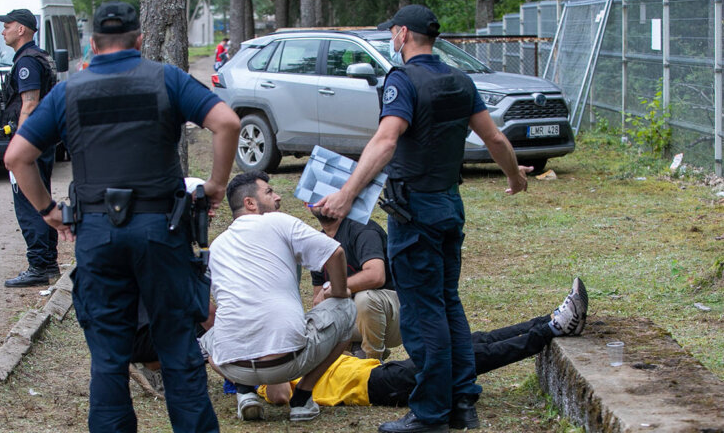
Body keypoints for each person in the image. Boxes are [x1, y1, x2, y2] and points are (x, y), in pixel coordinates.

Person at [3, 1, 239, 432]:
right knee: (179, 353)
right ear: (140, 40)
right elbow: (227, 122)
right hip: (161, 232)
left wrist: (49, 212)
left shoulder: (70, 91)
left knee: (109, 360)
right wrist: (216, 186)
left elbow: (17, 156)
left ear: (93, 43)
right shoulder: (166, 79)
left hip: (97, 234)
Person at [315, 5, 535, 433]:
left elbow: (387, 139)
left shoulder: (403, 80)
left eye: (392, 34)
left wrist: (346, 194)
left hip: (414, 213)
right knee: (447, 302)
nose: (392, 40)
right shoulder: (459, 79)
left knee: (422, 312)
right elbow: (493, 136)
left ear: (402, 35)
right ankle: (462, 400)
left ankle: (431, 413)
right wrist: (513, 176)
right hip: (449, 206)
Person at [260, 278, 588, 407]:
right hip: (378, 387)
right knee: (470, 358)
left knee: (472, 342)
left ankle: (548, 320)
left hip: (378, 371)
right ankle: (552, 330)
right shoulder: (269, 375)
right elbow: (277, 396)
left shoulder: (297, 353)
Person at [198, 171, 356, 423]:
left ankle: (245, 391)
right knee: (347, 309)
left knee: (202, 342)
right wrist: (339, 292)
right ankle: (303, 397)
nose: (278, 196)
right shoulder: (278, 221)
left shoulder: (217, 245)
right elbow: (335, 253)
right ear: (250, 203)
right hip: (287, 362)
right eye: (269, 192)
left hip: (232, 365)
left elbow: (201, 306)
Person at [0, 9, 59, 287]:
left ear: (21, 29)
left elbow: (30, 104)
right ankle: (48, 264)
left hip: (31, 143)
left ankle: (39, 265)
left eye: (7, 26)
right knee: (41, 198)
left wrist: (19, 145)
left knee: (28, 202)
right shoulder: (38, 56)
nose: (3, 31)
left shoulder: (27, 63)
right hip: (42, 140)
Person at [309, 209, 401, 361]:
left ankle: (373, 363)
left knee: (365, 299)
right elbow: (318, 301)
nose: (322, 201)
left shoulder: (363, 229)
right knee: (312, 326)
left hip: (396, 317)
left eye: (328, 194)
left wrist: (333, 288)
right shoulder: (318, 244)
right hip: (355, 320)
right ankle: (350, 362)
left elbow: (375, 276)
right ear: (307, 204)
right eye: (315, 198)